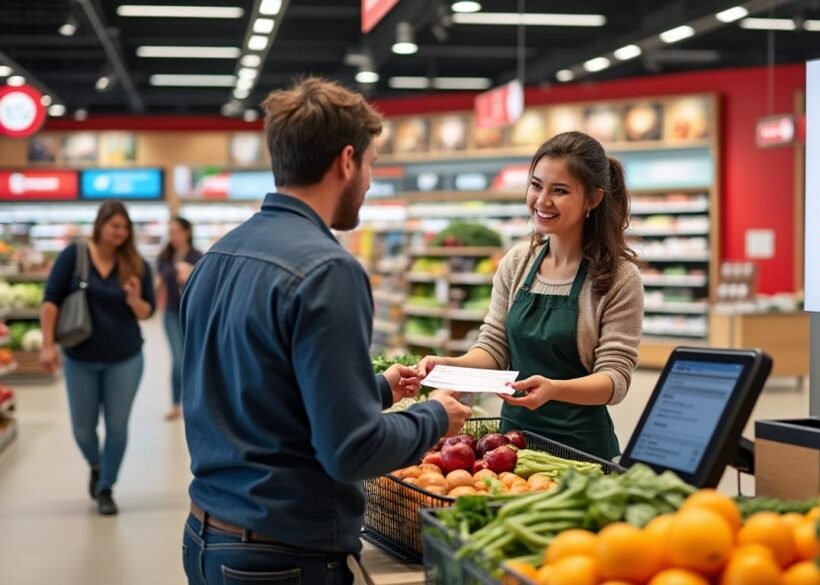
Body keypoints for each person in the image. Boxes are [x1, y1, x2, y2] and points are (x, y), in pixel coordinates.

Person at [179, 77, 472, 585]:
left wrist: (378, 389)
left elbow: (262, 393)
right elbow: (350, 450)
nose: (370, 181)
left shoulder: (220, 254)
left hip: (207, 537)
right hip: (283, 557)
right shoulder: (327, 271)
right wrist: (433, 416)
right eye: (372, 165)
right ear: (346, 161)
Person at [417, 131, 644, 460]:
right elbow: (494, 347)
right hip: (511, 445)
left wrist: (555, 389)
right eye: (536, 185)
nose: (542, 201)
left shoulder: (619, 279)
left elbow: (614, 380)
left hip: (580, 453)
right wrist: (449, 364)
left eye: (560, 191)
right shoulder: (517, 262)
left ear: (593, 199)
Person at [40, 201, 155, 516]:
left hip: (125, 357)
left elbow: (148, 311)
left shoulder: (136, 264)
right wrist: (47, 345)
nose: (120, 233)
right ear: (100, 224)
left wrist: (133, 299)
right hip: (80, 356)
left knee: (117, 426)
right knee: (83, 428)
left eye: (124, 227)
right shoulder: (74, 256)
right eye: (114, 226)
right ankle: (95, 464)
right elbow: (50, 302)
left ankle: (106, 486)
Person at [155, 216, 202, 421]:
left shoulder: (197, 256)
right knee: (178, 359)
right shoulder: (165, 256)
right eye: (170, 231)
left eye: (176, 231)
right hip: (171, 313)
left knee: (193, 358)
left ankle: (195, 401)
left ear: (187, 232)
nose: (172, 235)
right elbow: (159, 282)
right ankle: (176, 403)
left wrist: (190, 275)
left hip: (192, 313)